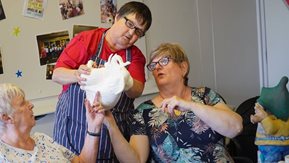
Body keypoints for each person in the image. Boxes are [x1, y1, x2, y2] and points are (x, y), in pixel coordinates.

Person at [104, 43, 243, 162]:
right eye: (153, 65)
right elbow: (136, 160)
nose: (157, 67)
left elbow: (235, 127)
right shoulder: (143, 112)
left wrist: (190, 105)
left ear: (183, 67)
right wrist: (111, 125)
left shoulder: (205, 95)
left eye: (164, 61)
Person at [52, 1, 152, 162]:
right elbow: (57, 74)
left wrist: (126, 81)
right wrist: (77, 74)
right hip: (73, 127)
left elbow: (137, 90)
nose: (131, 33)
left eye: (138, 32)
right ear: (117, 16)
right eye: (129, 24)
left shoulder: (135, 56)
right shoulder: (87, 39)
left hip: (110, 131)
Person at [0, 83, 105, 162]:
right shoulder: (3, 156)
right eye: (22, 103)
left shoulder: (42, 139)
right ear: (6, 117)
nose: (31, 105)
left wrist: (93, 127)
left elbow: (81, 162)